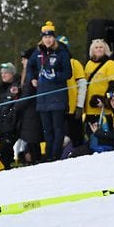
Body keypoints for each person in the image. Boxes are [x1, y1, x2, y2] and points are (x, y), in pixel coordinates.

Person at [27, 22, 72, 161]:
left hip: (57, 96)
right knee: (47, 130)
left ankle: (55, 155)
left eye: (50, 37)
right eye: (45, 37)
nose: (48, 40)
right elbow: (30, 67)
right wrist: (32, 79)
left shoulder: (61, 51)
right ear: (42, 38)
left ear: (54, 38)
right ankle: (48, 155)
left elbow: (68, 73)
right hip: (42, 97)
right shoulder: (37, 52)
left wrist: (56, 76)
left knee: (58, 128)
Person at [0, 63, 21, 169]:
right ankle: (10, 167)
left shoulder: (16, 86)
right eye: (2, 73)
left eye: (6, 73)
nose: (3, 75)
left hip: (12, 126)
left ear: (12, 74)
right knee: (2, 152)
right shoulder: (2, 89)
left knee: (3, 150)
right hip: (3, 127)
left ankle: (12, 167)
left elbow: (16, 107)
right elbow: (0, 109)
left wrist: (10, 120)